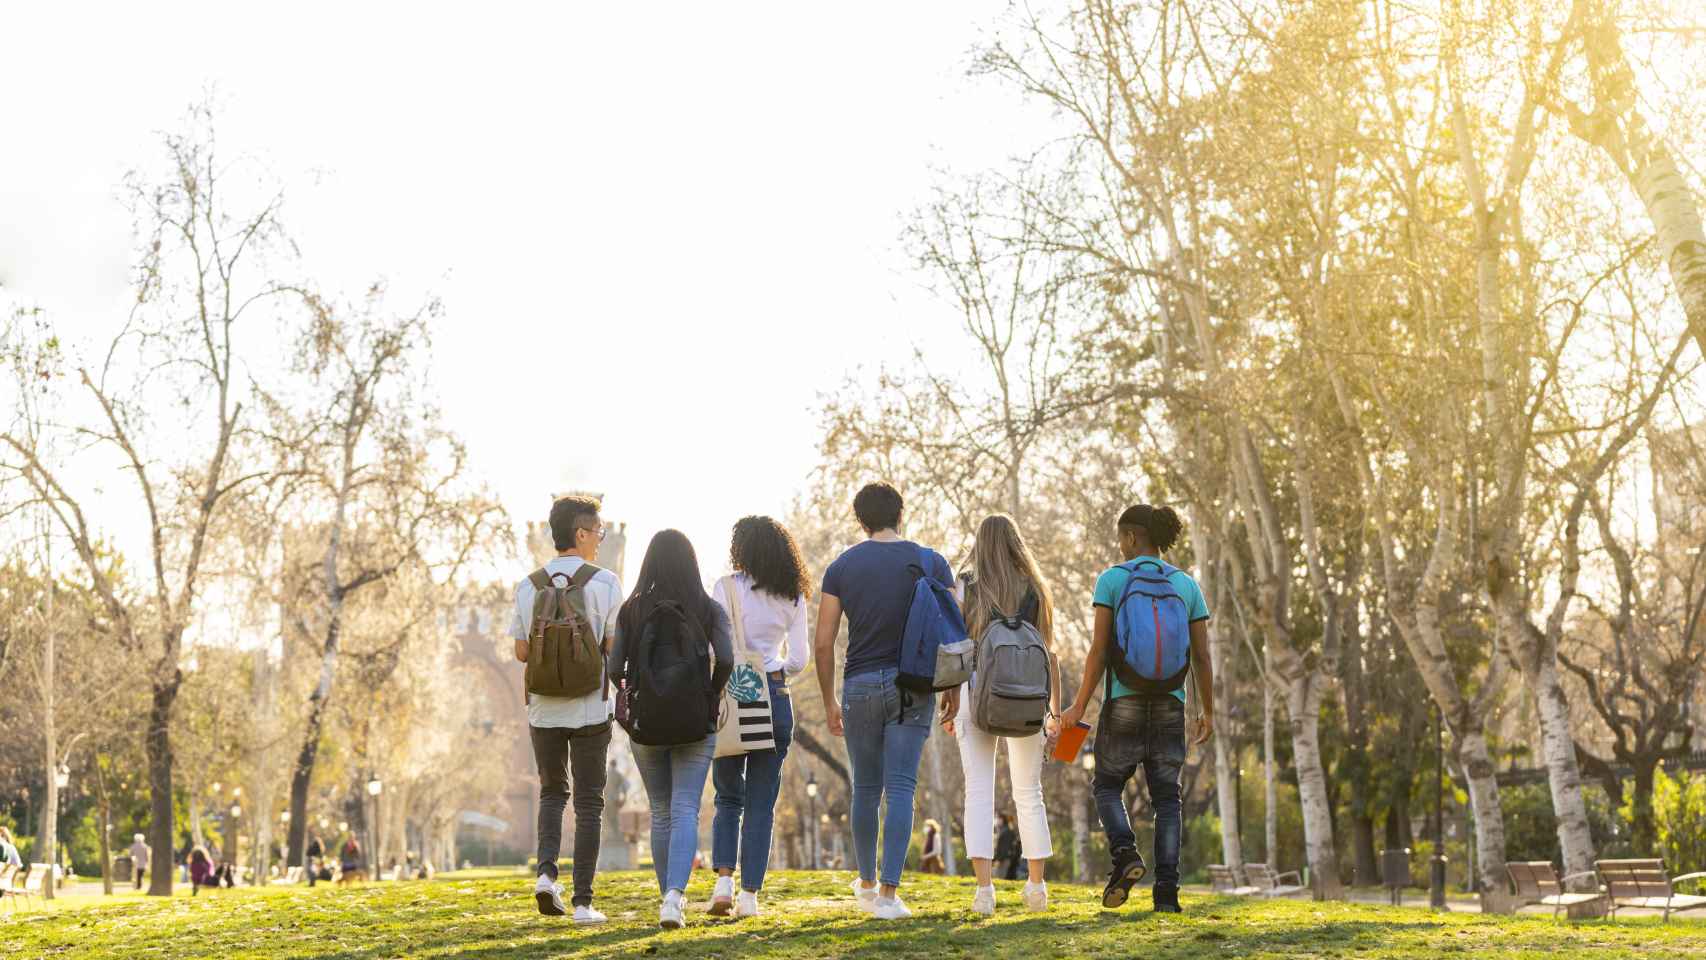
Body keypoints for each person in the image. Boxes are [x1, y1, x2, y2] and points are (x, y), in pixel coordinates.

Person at [1060, 504, 1214, 914]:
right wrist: (1207, 711)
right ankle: (1167, 894)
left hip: (1124, 700)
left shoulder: (1113, 579)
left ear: (1131, 538)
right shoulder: (1186, 585)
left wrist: (1078, 705)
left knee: (1108, 786)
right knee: (1168, 799)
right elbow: (1201, 657)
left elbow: (1098, 651)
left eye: (1120, 539)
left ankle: (1126, 854)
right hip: (1171, 703)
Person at [814, 481, 958, 921]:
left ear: (861, 519)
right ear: (902, 512)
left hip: (858, 685)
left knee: (866, 788)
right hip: (913, 685)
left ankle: (866, 883)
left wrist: (828, 701)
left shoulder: (842, 567)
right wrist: (952, 688)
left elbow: (822, 643)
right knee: (900, 788)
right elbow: (954, 632)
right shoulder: (932, 561)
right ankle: (889, 897)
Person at [610, 529, 733, 930]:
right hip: (697, 720)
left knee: (660, 811)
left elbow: (613, 669)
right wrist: (710, 694)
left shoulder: (631, 610)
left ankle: (669, 899)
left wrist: (631, 694)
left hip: (646, 724)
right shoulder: (708, 607)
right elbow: (727, 659)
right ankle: (674, 898)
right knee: (685, 809)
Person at [511, 495, 624, 924]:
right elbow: (613, 647)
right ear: (580, 533)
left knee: (552, 794)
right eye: (598, 531)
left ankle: (545, 875)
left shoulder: (528, 585)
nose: (600, 539)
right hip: (591, 709)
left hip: (543, 709)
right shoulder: (606, 582)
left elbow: (522, 651)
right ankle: (583, 903)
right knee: (590, 803)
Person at [945, 514, 1061, 914]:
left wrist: (949, 699)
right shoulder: (1036, 589)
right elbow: (1049, 653)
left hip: (974, 694)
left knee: (979, 790)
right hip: (1029, 697)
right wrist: (1055, 713)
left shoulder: (965, 585)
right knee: (1030, 792)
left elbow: (956, 647)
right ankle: (1036, 888)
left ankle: (984, 891)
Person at [709, 516, 812, 919]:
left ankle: (722, 883)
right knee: (762, 802)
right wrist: (774, 667)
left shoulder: (726, 587)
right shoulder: (795, 595)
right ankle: (749, 896)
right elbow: (800, 659)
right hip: (775, 695)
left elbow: (716, 648)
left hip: (735, 693)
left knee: (727, 795)